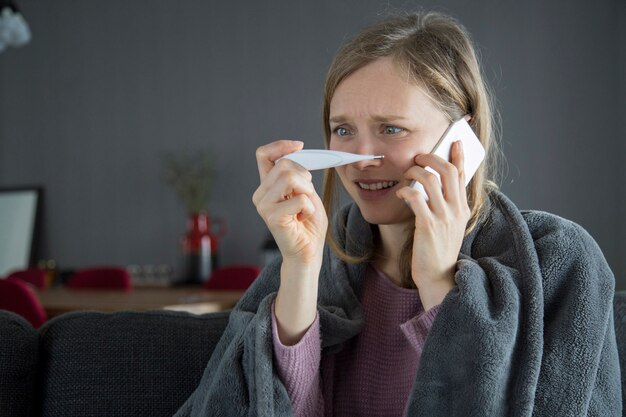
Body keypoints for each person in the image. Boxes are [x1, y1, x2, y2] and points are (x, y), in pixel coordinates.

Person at [174, 12, 621, 417]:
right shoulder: (310, 264)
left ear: (460, 139)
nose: (360, 158)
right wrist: (301, 271)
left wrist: (442, 286)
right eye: (343, 129)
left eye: (392, 129)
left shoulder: (558, 260)